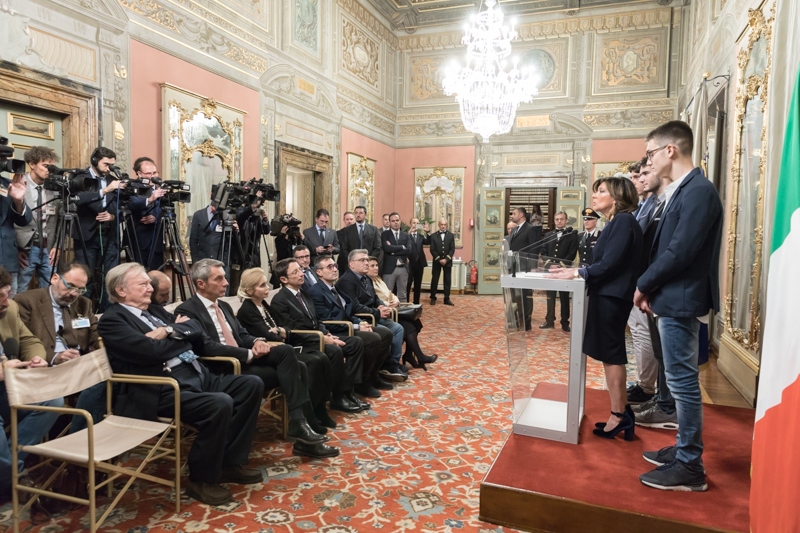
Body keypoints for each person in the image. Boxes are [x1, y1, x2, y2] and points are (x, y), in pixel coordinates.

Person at [98, 262, 264, 505]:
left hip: (196, 374)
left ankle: (229, 463)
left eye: (149, 283)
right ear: (121, 291)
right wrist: (178, 335)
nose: (150, 288)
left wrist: (167, 330)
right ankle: (201, 480)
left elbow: (194, 328)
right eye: (143, 284)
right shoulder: (112, 320)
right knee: (219, 403)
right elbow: (151, 351)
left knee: (251, 384)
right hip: (161, 389)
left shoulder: (154, 310)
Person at [634, 121, 723, 492]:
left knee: (683, 384)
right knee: (678, 380)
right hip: (672, 296)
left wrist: (643, 284)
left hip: (681, 298)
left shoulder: (698, 190)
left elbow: (680, 251)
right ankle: (684, 449)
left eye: (651, 154)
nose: (649, 163)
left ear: (670, 150)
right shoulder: (684, 189)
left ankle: (690, 465)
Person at [175, 259, 333, 456]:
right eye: (219, 279)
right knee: (298, 366)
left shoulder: (223, 306)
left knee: (287, 352)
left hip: (243, 359)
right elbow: (206, 347)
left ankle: (299, 423)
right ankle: (302, 429)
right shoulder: (187, 310)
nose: (226, 283)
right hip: (223, 366)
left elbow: (241, 334)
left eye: (224, 277)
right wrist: (248, 353)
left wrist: (257, 341)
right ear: (201, 284)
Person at [547, 177, 643, 442]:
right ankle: (622, 412)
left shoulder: (622, 221)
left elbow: (610, 263)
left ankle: (619, 415)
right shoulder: (617, 222)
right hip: (608, 294)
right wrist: (575, 271)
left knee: (611, 354)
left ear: (617, 196)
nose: (595, 195)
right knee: (609, 354)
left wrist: (577, 272)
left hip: (612, 296)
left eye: (601, 191)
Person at [236, 267, 339, 437]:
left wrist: (282, 332)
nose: (267, 288)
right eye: (262, 285)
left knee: (321, 358)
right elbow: (268, 335)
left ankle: (319, 407)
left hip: (282, 348)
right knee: (312, 361)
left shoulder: (263, 305)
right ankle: (309, 415)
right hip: (269, 353)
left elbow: (282, 328)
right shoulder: (247, 310)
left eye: (266, 284)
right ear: (249, 290)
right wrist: (281, 333)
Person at [270, 258, 368, 414]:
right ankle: (338, 397)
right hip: (302, 343)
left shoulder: (305, 294)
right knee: (335, 351)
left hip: (317, 336)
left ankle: (349, 391)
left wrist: (326, 333)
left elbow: (317, 320)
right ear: (284, 279)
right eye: (295, 272)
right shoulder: (280, 300)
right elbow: (292, 331)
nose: (302, 274)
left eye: (300, 270)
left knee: (355, 343)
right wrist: (321, 338)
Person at [14, 262, 103, 433]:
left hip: (78, 365)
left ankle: (86, 435)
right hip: (45, 368)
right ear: (55, 278)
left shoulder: (83, 303)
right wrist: (55, 357)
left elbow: (95, 333)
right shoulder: (26, 301)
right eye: (70, 286)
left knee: (110, 377)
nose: (74, 293)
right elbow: (23, 342)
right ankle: (79, 437)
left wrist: (108, 346)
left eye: (80, 289)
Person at [0, 266, 64, 502]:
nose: (6, 301)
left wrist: (37, 358)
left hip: (8, 388)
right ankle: (13, 478)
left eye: (7, 293)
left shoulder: (9, 308)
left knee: (53, 401)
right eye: (0, 296)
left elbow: (29, 340)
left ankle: (10, 465)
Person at [631, 163, 677, 429]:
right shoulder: (654, 204)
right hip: (650, 287)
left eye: (644, 173)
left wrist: (645, 285)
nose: (640, 179)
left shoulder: (681, 197)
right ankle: (661, 400)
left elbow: (672, 251)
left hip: (663, 289)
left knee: (669, 357)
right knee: (660, 352)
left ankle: (667, 406)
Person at [309, 255, 393, 398]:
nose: (335, 269)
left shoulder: (334, 288)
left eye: (335, 266)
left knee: (386, 334)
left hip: (347, 325)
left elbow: (347, 312)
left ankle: (372, 375)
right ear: (319, 272)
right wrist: (356, 327)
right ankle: (360, 383)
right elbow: (326, 320)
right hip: (336, 330)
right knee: (373, 339)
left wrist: (361, 323)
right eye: (330, 267)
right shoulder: (316, 291)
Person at [336, 249, 407, 381]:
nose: (366, 263)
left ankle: (392, 364)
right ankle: (377, 371)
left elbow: (375, 298)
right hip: (361, 318)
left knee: (398, 328)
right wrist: (377, 312)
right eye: (362, 260)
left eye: (367, 260)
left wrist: (383, 306)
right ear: (351, 264)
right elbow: (355, 307)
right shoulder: (346, 281)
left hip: (373, 314)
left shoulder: (366, 278)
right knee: (385, 332)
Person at [74, 147, 124, 307]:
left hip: (109, 236)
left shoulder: (114, 180)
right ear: (95, 161)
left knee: (110, 278)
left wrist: (113, 217)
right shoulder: (80, 177)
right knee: (85, 278)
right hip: (86, 237)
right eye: (106, 164)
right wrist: (106, 190)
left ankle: (107, 314)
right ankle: (83, 313)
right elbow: (78, 199)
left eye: (111, 165)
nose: (109, 168)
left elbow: (125, 208)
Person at [368, 256, 437, 371]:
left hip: (393, 310)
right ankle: (415, 356)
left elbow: (391, 294)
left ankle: (411, 355)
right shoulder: (368, 283)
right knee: (409, 325)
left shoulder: (378, 280)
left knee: (415, 322)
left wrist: (396, 301)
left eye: (376, 265)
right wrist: (389, 304)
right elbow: (375, 301)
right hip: (386, 312)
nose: (376, 268)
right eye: (372, 266)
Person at [15, 146, 58, 293]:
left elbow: (61, 220)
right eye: (45, 166)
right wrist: (16, 249)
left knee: (49, 290)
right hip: (26, 248)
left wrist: (58, 246)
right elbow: (9, 221)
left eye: (51, 167)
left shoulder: (55, 188)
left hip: (49, 248)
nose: (49, 170)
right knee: (20, 289)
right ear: (32, 164)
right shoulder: (18, 185)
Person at [541, 212, 579, 331]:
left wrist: (560, 266)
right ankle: (549, 321)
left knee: (564, 297)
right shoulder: (548, 235)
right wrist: (550, 265)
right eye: (557, 219)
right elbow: (544, 252)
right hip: (550, 271)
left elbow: (572, 253)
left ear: (566, 220)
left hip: (564, 271)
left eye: (561, 219)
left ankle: (565, 323)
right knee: (550, 296)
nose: (559, 221)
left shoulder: (572, 235)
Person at [128, 157, 167, 269]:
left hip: (157, 242)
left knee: (156, 275)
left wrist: (156, 218)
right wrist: (149, 199)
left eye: (154, 173)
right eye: (148, 173)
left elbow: (170, 212)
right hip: (137, 241)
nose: (152, 176)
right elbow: (132, 205)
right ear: (139, 173)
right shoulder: (132, 187)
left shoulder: (162, 188)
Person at [507, 207, 540, 330]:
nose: (512, 215)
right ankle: (517, 320)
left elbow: (534, 249)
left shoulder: (530, 229)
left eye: (514, 213)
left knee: (526, 296)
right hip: (515, 267)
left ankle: (526, 323)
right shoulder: (515, 229)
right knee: (516, 296)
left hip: (525, 268)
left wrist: (533, 267)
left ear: (521, 215)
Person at [338, 205, 382, 273]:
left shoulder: (373, 229)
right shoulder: (347, 230)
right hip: (351, 265)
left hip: (368, 264)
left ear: (365, 215)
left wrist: (368, 260)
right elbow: (344, 248)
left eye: (360, 213)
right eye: (356, 213)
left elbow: (377, 247)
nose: (358, 215)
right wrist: (351, 261)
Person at [381, 212, 410, 302]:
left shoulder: (405, 235)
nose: (395, 223)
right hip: (389, 269)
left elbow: (409, 250)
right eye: (393, 221)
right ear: (389, 222)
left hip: (403, 268)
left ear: (400, 221)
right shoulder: (385, 234)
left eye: (397, 220)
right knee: (388, 294)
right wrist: (401, 247)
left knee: (403, 294)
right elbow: (387, 248)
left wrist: (393, 251)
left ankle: (403, 311)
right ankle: (389, 311)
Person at [189, 189, 223, 263]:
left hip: (220, 260)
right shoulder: (198, 215)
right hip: (203, 260)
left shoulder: (224, 216)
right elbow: (193, 240)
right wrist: (195, 261)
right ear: (210, 194)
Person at [429, 218, 455, 306]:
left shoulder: (451, 235)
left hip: (447, 262)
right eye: (441, 224)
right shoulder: (433, 236)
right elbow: (432, 249)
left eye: (444, 224)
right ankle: (433, 297)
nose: (443, 226)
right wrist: (439, 259)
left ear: (446, 225)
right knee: (435, 279)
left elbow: (452, 249)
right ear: (438, 225)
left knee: (447, 280)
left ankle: (446, 298)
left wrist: (446, 259)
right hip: (437, 261)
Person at [405, 217, 430, 305]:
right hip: (409, 263)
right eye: (414, 223)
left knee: (418, 284)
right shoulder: (406, 235)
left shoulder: (421, 236)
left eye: (417, 223)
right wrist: (409, 233)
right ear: (410, 224)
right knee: (408, 284)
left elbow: (428, 242)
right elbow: (402, 242)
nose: (415, 225)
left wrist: (427, 232)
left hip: (419, 263)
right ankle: (406, 303)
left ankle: (416, 303)